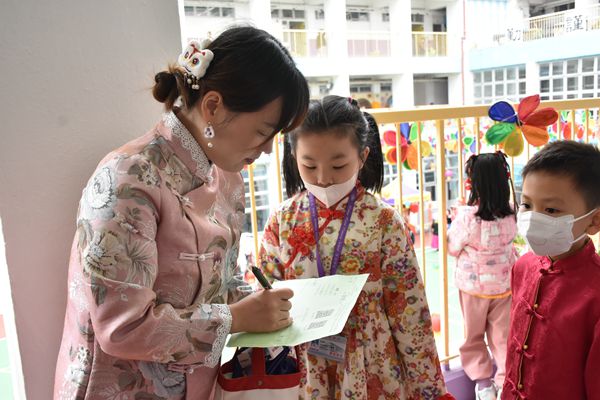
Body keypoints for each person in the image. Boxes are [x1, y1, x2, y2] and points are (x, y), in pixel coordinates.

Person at [53, 26, 309, 399]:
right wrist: (237, 317)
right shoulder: (127, 178)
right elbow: (121, 327)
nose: (268, 150)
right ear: (213, 106)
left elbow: (221, 281)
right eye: (263, 132)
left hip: (197, 385)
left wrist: (258, 304)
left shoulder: (227, 178)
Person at [258, 96, 453, 400]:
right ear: (293, 156)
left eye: (338, 165)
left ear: (362, 157)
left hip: (371, 361)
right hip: (305, 363)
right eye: (309, 165)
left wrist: (430, 390)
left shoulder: (384, 221)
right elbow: (265, 294)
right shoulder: (281, 221)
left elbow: (408, 311)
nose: (323, 178)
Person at [502, 141, 600, 400]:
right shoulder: (523, 266)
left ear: (594, 220)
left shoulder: (595, 294)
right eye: (527, 205)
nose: (534, 218)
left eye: (551, 210)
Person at [447, 152, 517, 400]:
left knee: (473, 336)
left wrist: (455, 216)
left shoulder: (467, 217)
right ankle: (505, 383)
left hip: (473, 288)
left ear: (473, 183)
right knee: (502, 338)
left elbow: (453, 247)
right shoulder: (511, 213)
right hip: (504, 286)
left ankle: (483, 384)